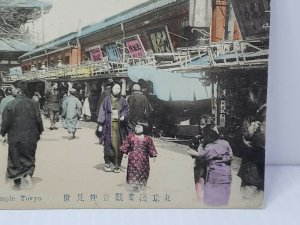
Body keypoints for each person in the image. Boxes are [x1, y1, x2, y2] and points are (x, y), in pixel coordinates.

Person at [0, 81, 43, 189]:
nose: (11, 90)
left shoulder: (10, 104)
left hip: (15, 137)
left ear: (18, 90)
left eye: (12, 88)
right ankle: (28, 175)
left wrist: (2, 133)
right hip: (30, 136)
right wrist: (39, 132)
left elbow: (5, 122)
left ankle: (17, 181)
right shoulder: (34, 104)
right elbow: (38, 120)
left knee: (15, 158)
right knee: (29, 157)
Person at [187, 125, 233, 206]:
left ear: (208, 137)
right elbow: (230, 156)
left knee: (211, 201)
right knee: (223, 200)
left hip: (214, 177)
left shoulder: (210, 147)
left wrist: (199, 145)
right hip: (227, 177)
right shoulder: (226, 143)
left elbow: (200, 154)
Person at [97, 83, 130, 173]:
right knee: (107, 144)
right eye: (115, 88)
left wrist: (123, 115)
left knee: (119, 146)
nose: (117, 90)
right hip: (108, 125)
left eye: (119, 88)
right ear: (112, 89)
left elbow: (126, 110)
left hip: (119, 127)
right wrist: (100, 124)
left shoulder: (123, 100)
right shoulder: (106, 100)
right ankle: (107, 163)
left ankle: (117, 165)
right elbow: (102, 111)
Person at [121, 122, 157, 192]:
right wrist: (125, 152)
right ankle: (133, 185)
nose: (137, 128)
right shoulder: (130, 137)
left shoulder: (147, 138)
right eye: (136, 126)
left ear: (144, 128)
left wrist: (153, 155)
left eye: (139, 127)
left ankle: (141, 185)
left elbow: (151, 147)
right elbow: (126, 145)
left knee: (142, 171)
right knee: (132, 171)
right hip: (133, 158)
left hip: (143, 160)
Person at [187, 115, 214, 203]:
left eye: (207, 125)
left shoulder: (216, 138)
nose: (204, 127)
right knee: (199, 188)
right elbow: (190, 150)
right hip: (200, 166)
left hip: (213, 167)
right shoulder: (197, 137)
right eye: (202, 124)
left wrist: (198, 154)